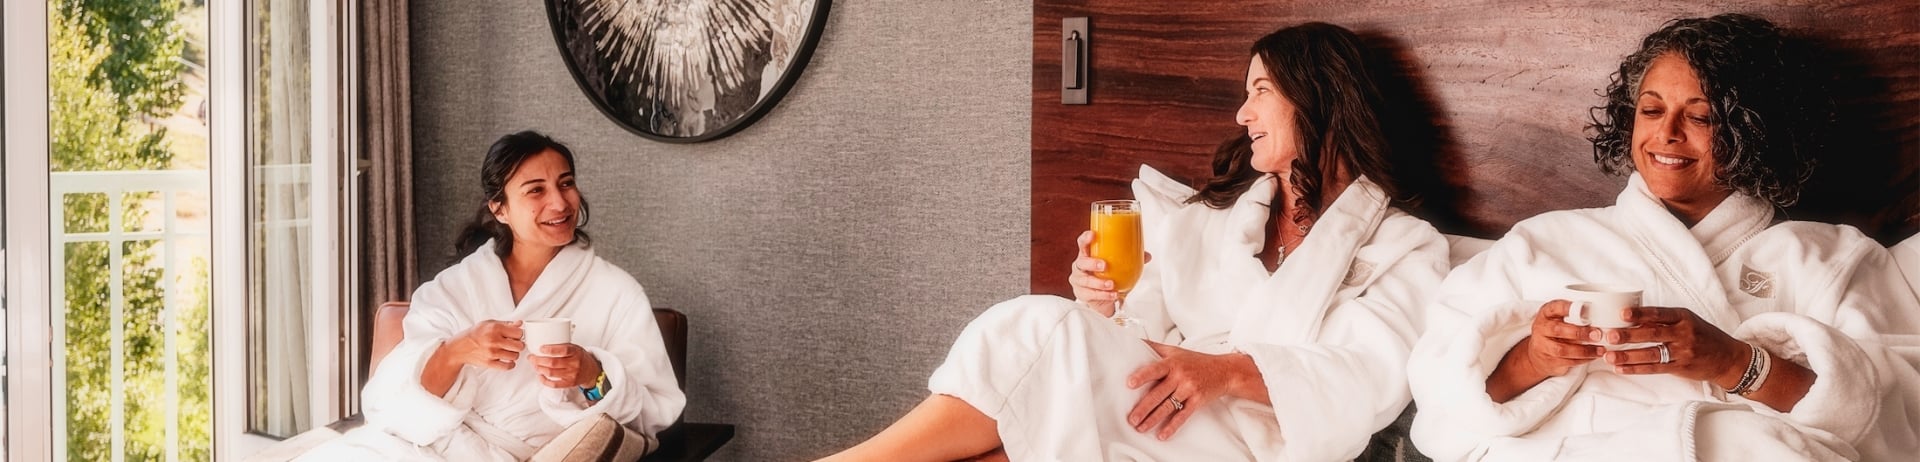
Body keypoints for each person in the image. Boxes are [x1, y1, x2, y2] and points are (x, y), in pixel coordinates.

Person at [822, 22, 1449, 461]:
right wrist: (1101, 305)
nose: (1242, 115)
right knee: (1012, 435)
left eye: (1260, 91)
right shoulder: (1216, 221)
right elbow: (1138, 328)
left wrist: (1226, 372)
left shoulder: (1405, 248)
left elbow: (1369, 377)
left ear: (1322, 98)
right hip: (1166, 412)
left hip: (1263, 441)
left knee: (1038, 329)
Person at [1407, 14, 1920, 461]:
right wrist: (1535, 359)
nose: (1667, 133)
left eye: (1700, 116)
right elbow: (1443, 409)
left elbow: (1900, 423)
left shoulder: (1833, 260)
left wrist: (1735, 362)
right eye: (1651, 110)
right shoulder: (1539, 243)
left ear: (1759, 132)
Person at [301, 131, 685, 460]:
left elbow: (655, 413)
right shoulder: (454, 288)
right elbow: (389, 404)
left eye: (566, 183)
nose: (560, 202)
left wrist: (591, 373)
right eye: (536, 190)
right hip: (414, 448)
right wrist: (456, 351)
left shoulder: (616, 293)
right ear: (500, 209)